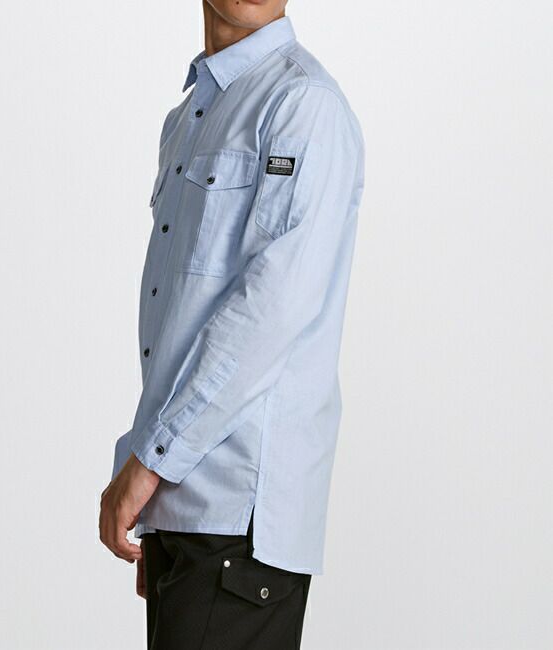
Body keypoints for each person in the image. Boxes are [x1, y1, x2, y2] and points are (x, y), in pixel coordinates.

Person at [99, 1, 364, 648]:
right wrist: (158, 504)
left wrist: (151, 462)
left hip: (240, 518)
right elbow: (180, 314)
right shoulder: (190, 116)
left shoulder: (303, 106)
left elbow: (271, 309)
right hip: (184, 508)